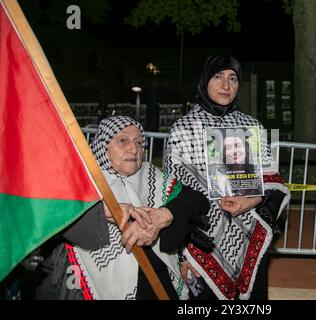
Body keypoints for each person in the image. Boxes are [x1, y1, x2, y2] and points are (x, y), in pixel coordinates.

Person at [34, 116, 212, 300]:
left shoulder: (152, 176)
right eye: (122, 140)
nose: (134, 149)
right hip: (94, 286)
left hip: (159, 283)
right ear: (104, 146)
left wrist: (167, 214)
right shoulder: (83, 181)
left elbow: (199, 200)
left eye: (139, 142)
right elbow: (45, 214)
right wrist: (100, 210)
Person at [165, 55, 291, 300]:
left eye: (232, 78)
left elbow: (273, 182)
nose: (226, 85)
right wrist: (179, 255)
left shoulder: (251, 126)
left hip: (249, 238)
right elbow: (173, 193)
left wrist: (251, 200)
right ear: (204, 81)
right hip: (201, 244)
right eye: (218, 77)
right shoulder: (183, 129)